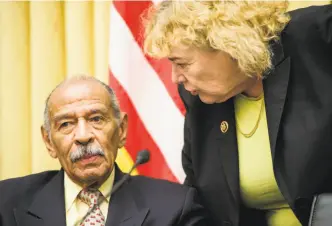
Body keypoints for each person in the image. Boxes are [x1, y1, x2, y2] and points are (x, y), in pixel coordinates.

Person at [143, 1, 332, 226]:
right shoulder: (200, 101)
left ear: (228, 43)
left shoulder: (318, 35)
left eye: (182, 63)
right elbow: (198, 200)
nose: (175, 78)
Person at [0, 75, 208, 226]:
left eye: (96, 119)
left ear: (121, 130)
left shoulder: (175, 206)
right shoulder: (6, 202)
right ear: (48, 142)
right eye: (66, 124)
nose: (83, 136)